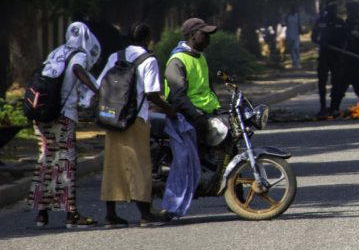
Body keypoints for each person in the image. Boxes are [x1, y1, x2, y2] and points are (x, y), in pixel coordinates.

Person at [96, 23, 174, 227]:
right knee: (140, 166)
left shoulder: (116, 56)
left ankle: (110, 215)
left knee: (113, 165)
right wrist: (170, 110)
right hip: (136, 119)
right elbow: (151, 93)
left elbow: (100, 84)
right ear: (148, 38)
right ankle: (146, 214)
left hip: (113, 118)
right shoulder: (149, 60)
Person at [28, 21, 102, 228]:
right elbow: (79, 69)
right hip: (63, 116)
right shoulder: (80, 55)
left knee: (47, 160)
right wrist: (98, 90)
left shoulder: (56, 52)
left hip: (41, 115)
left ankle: (42, 214)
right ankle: (72, 215)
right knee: (67, 163)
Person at [164, 18, 221, 141]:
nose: (208, 40)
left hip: (207, 114)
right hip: (190, 119)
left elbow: (208, 87)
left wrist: (216, 109)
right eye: (204, 35)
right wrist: (196, 116)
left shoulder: (200, 57)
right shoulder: (177, 60)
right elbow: (178, 97)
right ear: (192, 35)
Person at [324, 1, 359, 117]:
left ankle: (336, 106)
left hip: (355, 56)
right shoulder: (345, 23)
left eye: (353, 10)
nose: (351, 13)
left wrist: (358, 37)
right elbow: (340, 39)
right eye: (350, 11)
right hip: (346, 56)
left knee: (347, 80)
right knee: (350, 80)